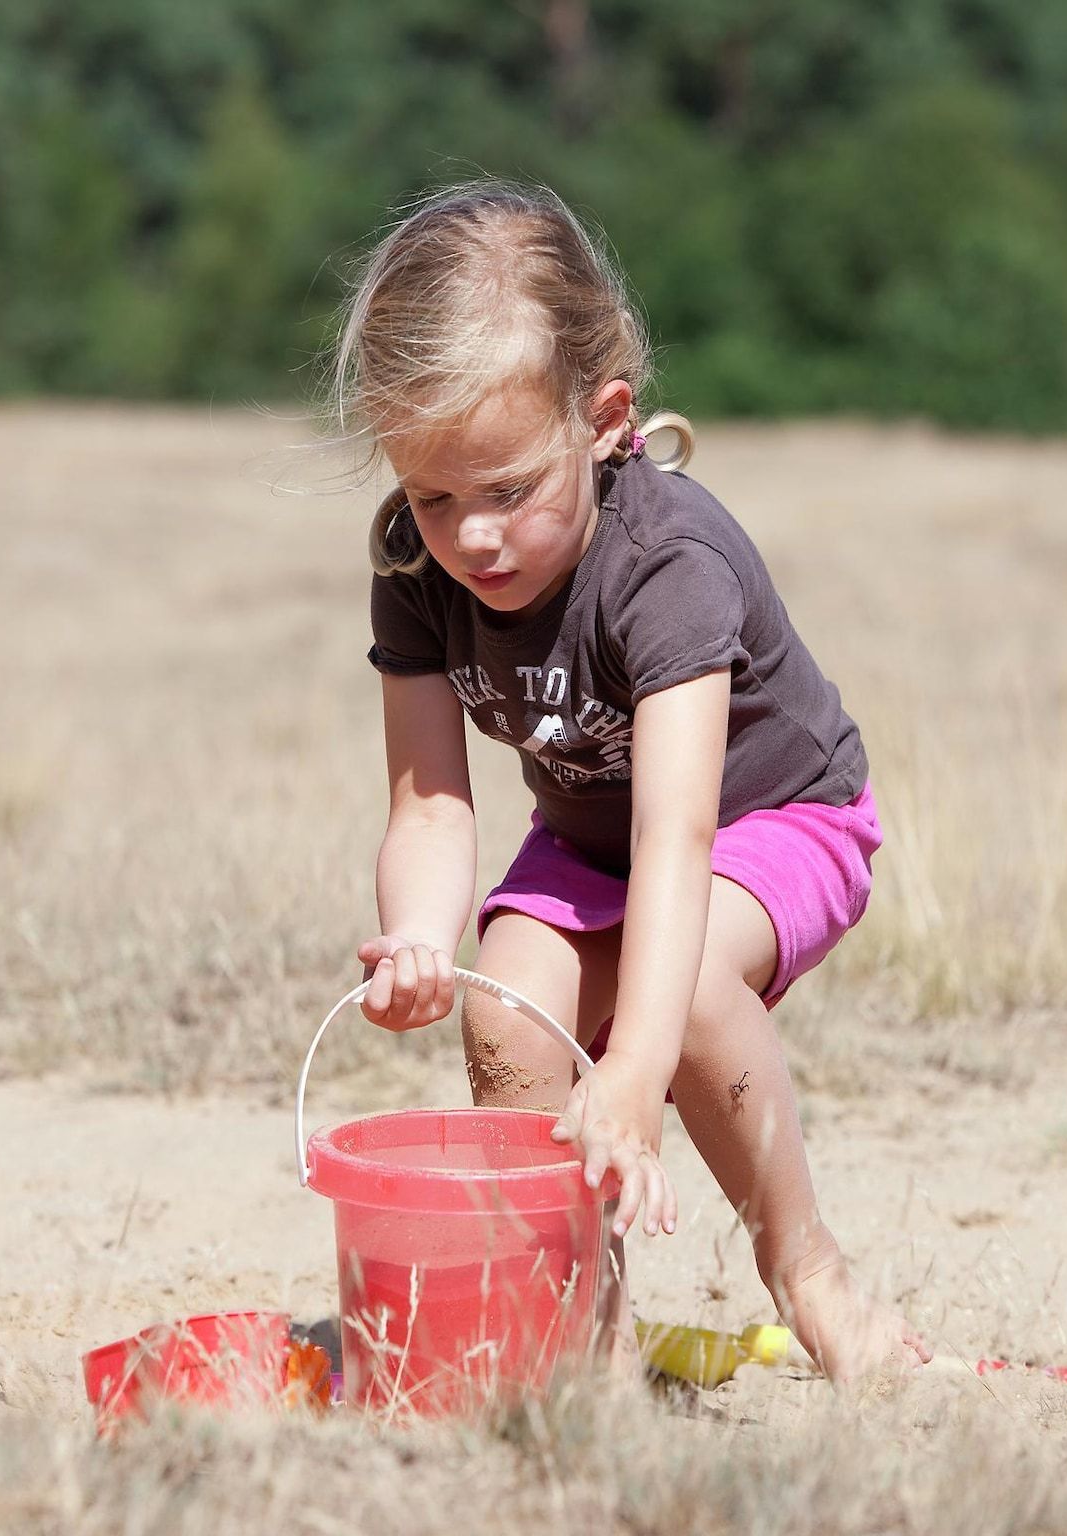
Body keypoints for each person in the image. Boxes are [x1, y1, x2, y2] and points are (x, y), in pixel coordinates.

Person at [333, 180, 929, 1388]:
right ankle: (573, 1322)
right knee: (500, 1004)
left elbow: (677, 834)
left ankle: (807, 1273)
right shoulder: (413, 558)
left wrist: (635, 1069)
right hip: (592, 844)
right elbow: (431, 804)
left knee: (691, 975)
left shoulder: (669, 564)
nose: (470, 537)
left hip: (773, 822)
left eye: (507, 491)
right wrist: (415, 934)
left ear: (604, 420)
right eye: (435, 494)